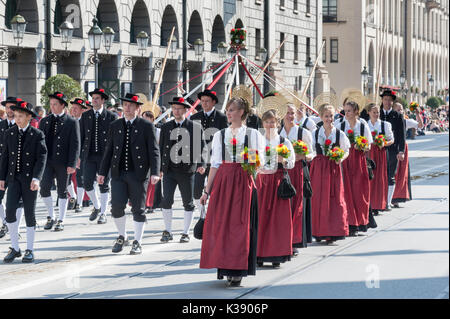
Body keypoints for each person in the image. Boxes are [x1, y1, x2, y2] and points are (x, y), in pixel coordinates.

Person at [199, 97, 265, 287]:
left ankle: (238, 269)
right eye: (227, 110)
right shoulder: (220, 135)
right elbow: (215, 165)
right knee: (223, 225)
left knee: (240, 226)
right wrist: (207, 191)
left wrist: (249, 163)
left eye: (233, 110)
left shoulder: (252, 134)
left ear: (242, 112)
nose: (228, 113)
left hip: (244, 181)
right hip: (224, 182)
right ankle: (225, 267)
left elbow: (255, 165)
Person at [98, 93, 160, 255]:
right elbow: (109, 151)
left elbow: (154, 151)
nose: (127, 108)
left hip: (138, 173)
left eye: (131, 105)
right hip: (118, 173)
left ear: (138, 108)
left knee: (138, 209)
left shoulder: (146, 126)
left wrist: (155, 172)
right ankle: (122, 235)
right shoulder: (115, 125)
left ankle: (137, 241)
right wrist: (102, 172)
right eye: (125, 105)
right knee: (116, 207)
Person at [0, 101, 47, 263]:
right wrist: (1, 178)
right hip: (13, 179)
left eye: (21, 116)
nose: (17, 119)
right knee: (10, 213)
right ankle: (15, 247)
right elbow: (5, 157)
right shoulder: (10, 133)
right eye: (16, 116)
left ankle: (30, 249)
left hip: (29, 180)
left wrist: (37, 178)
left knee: (29, 213)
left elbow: (41, 159)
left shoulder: (37, 134)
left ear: (28, 117)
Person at [159, 97, 206, 243]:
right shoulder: (166, 127)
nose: (176, 111)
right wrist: (159, 168)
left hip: (187, 170)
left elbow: (202, 148)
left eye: (179, 108)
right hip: (169, 170)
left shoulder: (194, 126)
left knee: (188, 202)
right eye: (174, 108)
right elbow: (160, 148)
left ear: (186, 110)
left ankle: (185, 232)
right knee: (166, 201)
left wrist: (202, 164)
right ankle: (168, 230)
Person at [256, 109, 295, 268]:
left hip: (278, 183)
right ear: (263, 123)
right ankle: (259, 253)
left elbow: (291, 163)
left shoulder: (284, 141)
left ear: (278, 124)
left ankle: (277, 254)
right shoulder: (257, 141)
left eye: (273, 122)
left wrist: (283, 161)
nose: (270, 125)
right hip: (262, 182)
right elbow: (250, 161)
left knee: (278, 220)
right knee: (260, 218)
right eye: (267, 122)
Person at [39, 92, 80, 232]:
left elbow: (75, 144)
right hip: (47, 162)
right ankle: (51, 216)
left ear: (62, 105)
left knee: (62, 190)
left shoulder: (71, 122)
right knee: (44, 188)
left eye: (55, 104)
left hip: (63, 162)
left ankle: (61, 219)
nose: (52, 107)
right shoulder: (44, 121)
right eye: (50, 104)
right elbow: (40, 143)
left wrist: (72, 164)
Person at [310, 104, 350, 244]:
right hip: (319, 169)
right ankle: (318, 231)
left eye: (331, 116)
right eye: (326, 116)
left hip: (333, 168)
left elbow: (346, 150)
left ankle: (333, 232)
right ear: (321, 117)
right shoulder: (315, 133)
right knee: (319, 199)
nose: (329, 119)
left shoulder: (339, 134)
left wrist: (340, 158)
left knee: (335, 199)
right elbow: (311, 150)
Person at [80, 88, 118, 224]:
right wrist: (79, 156)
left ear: (103, 100)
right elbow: (82, 137)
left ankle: (103, 213)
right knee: (87, 183)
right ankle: (96, 206)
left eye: (97, 98)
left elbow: (115, 139)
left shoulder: (111, 117)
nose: (94, 100)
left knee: (104, 184)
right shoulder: (86, 116)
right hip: (89, 155)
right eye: (93, 98)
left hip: (105, 156)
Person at [280, 104, 314, 255]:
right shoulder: (276, 132)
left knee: (296, 206)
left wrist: (303, 156)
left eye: (292, 113)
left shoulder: (303, 132)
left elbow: (313, 153)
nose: (290, 116)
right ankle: (281, 240)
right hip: (280, 172)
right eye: (287, 113)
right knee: (281, 207)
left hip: (297, 172)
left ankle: (293, 241)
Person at [335, 100, 373, 236]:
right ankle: (348, 223)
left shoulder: (363, 126)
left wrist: (362, 145)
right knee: (345, 193)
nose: (346, 113)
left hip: (358, 162)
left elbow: (369, 145)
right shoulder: (339, 126)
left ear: (356, 111)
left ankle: (359, 222)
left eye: (349, 111)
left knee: (358, 192)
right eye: (345, 111)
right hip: (344, 161)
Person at [190, 89, 228, 212]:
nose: (204, 103)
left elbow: (225, 138)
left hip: (215, 159)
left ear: (213, 102)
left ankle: (213, 212)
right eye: (202, 101)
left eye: (207, 101)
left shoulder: (222, 117)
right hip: (199, 159)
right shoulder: (195, 117)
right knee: (196, 190)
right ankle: (202, 212)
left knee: (215, 188)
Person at [0, 97, 26, 238]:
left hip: (18, 168)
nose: (9, 110)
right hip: (2, 167)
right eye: (8, 107)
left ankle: (16, 227)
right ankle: (6, 223)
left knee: (18, 201)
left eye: (12, 107)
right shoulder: (1, 125)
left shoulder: (22, 126)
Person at [391, 102, 423, 207]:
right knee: (391, 173)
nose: (400, 111)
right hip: (390, 146)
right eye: (398, 109)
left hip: (401, 148)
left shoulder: (405, 121)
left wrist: (418, 114)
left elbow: (420, 125)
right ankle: (388, 197)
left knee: (400, 173)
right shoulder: (388, 120)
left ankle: (397, 197)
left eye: (401, 109)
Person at [379, 89, 406, 210]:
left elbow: (401, 135)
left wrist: (401, 151)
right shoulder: (376, 113)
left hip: (392, 149)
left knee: (390, 175)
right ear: (382, 100)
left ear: (392, 102)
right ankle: (377, 201)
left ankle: (388, 202)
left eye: (390, 100)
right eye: (385, 99)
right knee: (377, 175)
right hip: (377, 150)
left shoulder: (397, 116)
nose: (387, 102)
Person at [366, 103, 394, 215]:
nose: (376, 114)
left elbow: (391, 139)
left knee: (379, 179)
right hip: (368, 153)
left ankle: (378, 204)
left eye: (378, 112)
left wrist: (384, 143)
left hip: (380, 153)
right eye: (374, 112)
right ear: (369, 113)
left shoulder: (385, 125)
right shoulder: (365, 124)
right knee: (368, 178)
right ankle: (369, 204)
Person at [66, 98, 88, 213]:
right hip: (69, 154)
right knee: (66, 178)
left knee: (80, 178)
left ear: (82, 110)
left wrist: (80, 157)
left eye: (76, 108)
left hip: (81, 155)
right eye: (72, 108)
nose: (73, 110)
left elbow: (86, 141)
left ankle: (79, 203)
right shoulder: (68, 121)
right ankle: (73, 196)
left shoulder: (85, 123)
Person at [141, 110, 162, 214]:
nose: (146, 119)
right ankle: (142, 203)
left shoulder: (158, 131)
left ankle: (150, 204)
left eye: (148, 117)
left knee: (152, 184)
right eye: (144, 117)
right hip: (141, 160)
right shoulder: (138, 129)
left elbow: (159, 147)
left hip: (153, 159)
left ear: (152, 119)